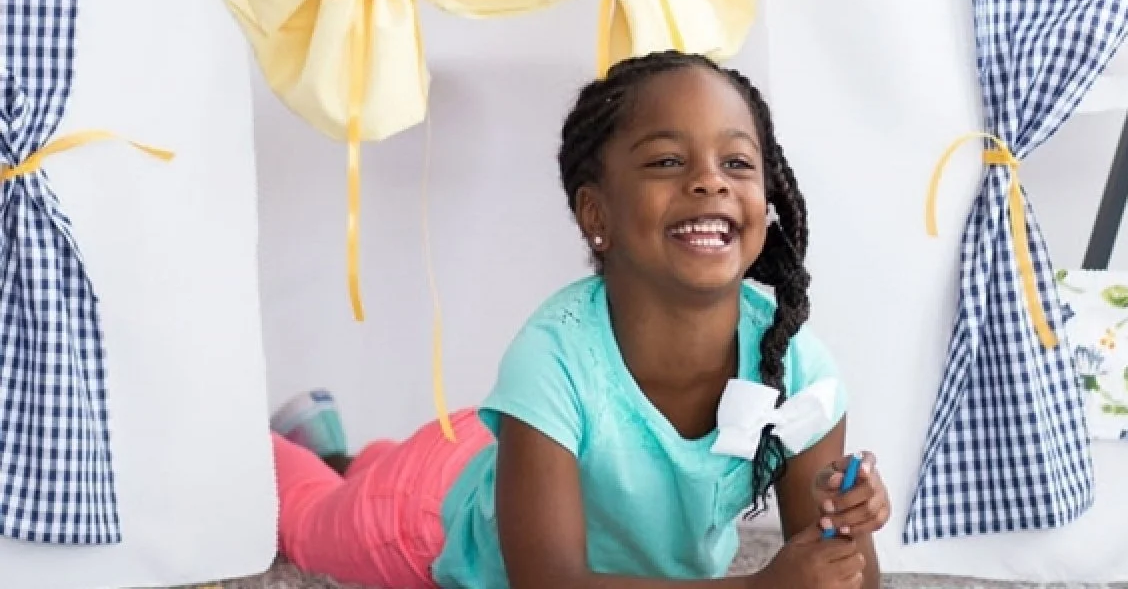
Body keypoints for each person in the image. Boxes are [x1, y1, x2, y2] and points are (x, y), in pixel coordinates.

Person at [268, 51, 892, 589]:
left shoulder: (796, 365)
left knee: (378, 465)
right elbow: (551, 584)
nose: (709, 181)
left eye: (737, 163)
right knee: (307, 518)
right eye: (667, 162)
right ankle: (277, 447)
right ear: (596, 215)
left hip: (506, 453)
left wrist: (851, 523)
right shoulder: (553, 354)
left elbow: (838, 573)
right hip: (426, 511)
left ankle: (356, 453)